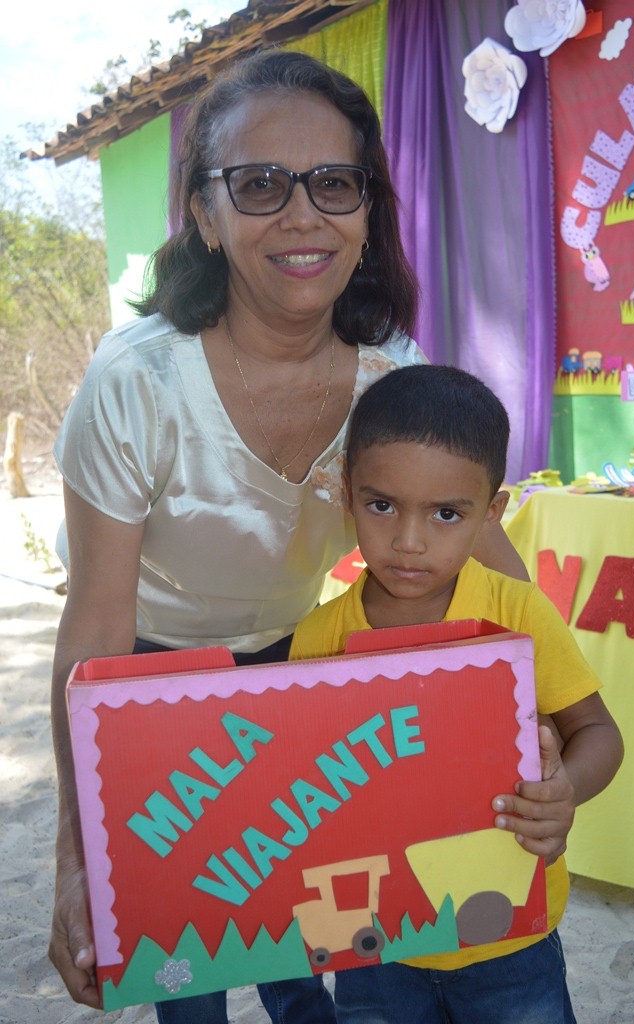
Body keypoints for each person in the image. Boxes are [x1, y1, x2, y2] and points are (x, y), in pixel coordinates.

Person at [48, 50, 528, 1024]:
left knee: (311, 950)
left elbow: (486, 558)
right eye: (260, 184)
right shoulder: (135, 384)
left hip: (291, 672)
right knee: (193, 977)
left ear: (367, 213)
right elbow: (95, 619)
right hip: (142, 687)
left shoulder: (391, 384)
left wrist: (538, 712)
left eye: (334, 183)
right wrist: (78, 854)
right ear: (206, 214)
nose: (303, 215)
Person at [290, 364, 624, 1024]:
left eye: (446, 514)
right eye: (381, 505)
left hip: (510, 942)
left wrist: (563, 792)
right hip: (372, 948)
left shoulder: (516, 613)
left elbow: (597, 732)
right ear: (346, 495)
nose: (409, 542)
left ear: (490, 513)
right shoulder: (319, 638)